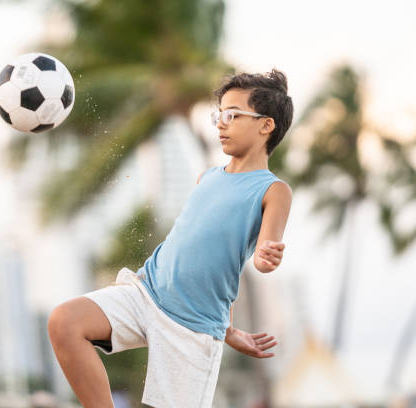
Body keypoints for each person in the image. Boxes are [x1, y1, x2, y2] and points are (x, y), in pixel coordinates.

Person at [47, 68, 294, 407]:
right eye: (219, 114)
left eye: (233, 115)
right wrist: (231, 330)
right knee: (65, 322)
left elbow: (259, 253)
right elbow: (207, 255)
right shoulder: (207, 177)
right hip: (146, 293)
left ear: (266, 125)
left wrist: (267, 255)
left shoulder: (273, 190)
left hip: (191, 330)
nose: (221, 123)